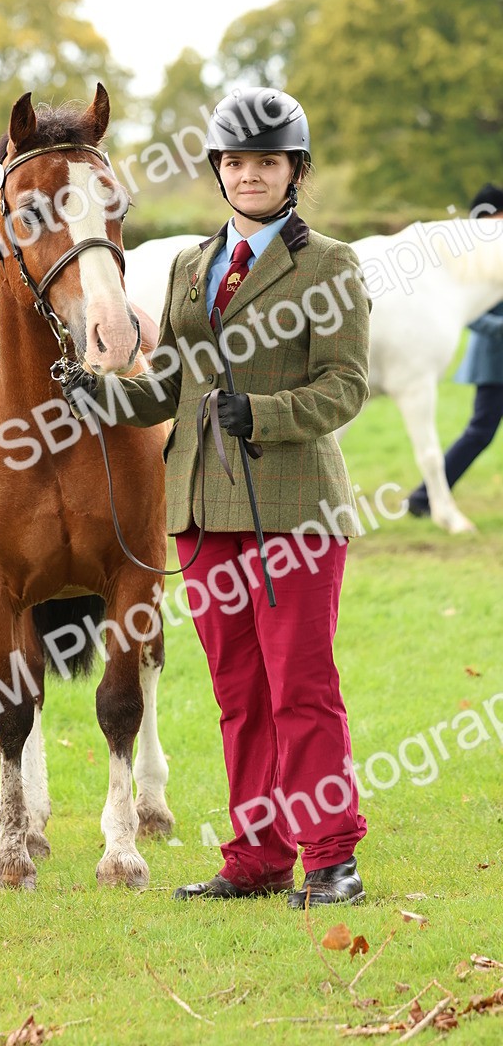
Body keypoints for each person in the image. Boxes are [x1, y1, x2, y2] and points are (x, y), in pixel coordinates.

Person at [63, 87, 372, 908]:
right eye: (236, 162)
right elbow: (168, 384)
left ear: (295, 171)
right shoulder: (192, 267)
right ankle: (258, 858)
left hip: (293, 511)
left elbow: (345, 387)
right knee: (239, 693)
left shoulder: (330, 265)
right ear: (219, 171)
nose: (249, 175)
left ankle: (332, 858)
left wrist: (263, 414)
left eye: (267, 161)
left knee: (301, 688)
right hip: (202, 513)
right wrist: (103, 396)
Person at [408, 182, 503, 518]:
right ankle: (423, 497)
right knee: (480, 432)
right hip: (495, 361)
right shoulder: (473, 259)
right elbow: (466, 313)